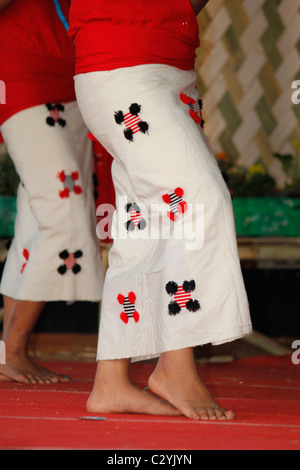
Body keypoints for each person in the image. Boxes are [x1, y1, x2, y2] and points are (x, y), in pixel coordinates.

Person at [68, 0, 252, 420]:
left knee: (146, 226)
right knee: (200, 198)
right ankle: (176, 365)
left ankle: (110, 382)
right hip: (119, 61)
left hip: (173, 63)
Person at [0, 0, 104, 383]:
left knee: (38, 216)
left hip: (79, 67)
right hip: (20, 56)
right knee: (66, 215)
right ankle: (10, 352)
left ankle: (8, 351)